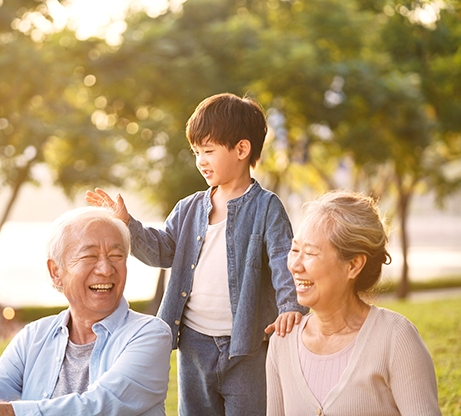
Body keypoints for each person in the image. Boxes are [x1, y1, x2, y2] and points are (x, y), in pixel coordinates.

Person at [86, 92, 308, 416]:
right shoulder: (188, 208)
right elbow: (162, 251)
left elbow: (282, 259)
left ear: (242, 150)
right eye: (196, 152)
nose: (200, 160)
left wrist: (291, 306)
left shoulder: (266, 207)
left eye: (208, 151)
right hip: (193, 345)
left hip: (245, 347)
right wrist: (127, 224)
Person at [0, 207, 172, 416]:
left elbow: (98, 406)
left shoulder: (150, 334)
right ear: (56, 272)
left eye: (116, 256)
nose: (106, 269)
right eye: (90, 256)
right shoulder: (34, 336)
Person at [266, 190, 442, 416]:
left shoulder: (396, 338)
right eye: (295, 250)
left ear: (353, 265)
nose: (295, 265)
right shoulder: (283, 341)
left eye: (310, 253)